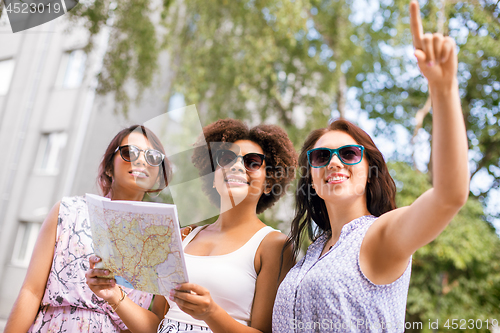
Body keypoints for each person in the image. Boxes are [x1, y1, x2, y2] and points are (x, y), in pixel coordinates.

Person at [272, 2, 469, 332]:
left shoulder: (381, 235)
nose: (334, 161)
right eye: (321, 157)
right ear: (312, 178)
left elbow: (449, 195)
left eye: (348, 154)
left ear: (369, 171)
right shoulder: (312, 250)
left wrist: (443, 89)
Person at [86, 118, 298, 333]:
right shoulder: (183, 236)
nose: (236, 165)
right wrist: (113, 294)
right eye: (225, 158)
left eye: (252, 161)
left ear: (269, 182)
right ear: (213, 177)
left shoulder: (274, 245)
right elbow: (155, 324)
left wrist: (211, 313)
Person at [5, 125, 172, 333]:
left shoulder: (162, 241)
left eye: (153, 157)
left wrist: (115, 295)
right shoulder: (67, 211)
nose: (141, 160)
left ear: (158, 175)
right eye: (130, 152)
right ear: (109, 167)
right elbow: (31, 292)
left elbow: (156, 327)